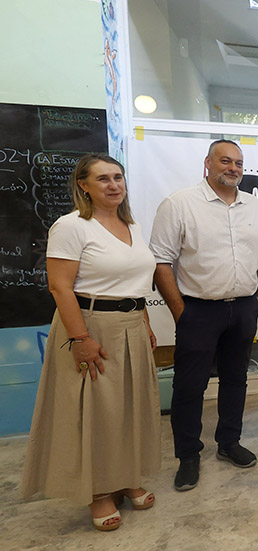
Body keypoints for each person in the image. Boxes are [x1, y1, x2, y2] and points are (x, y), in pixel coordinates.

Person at [21, 154, 160, 531]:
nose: (114, 185)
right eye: (103, 179)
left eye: (118, 177)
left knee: (128, 408)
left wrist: (144, 322)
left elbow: (134, 283)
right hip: (92, 326)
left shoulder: (131, 225)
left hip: (131, 324)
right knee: (98, 413)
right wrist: (80, 338)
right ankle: (98, 491)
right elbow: (59, 287)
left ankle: (126, 477)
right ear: (83, 186)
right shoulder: (71, 226)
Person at [150, 139, 258, 491]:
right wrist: (181, 313)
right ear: (207, 163)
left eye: (238, 163)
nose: (233, 168)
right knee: (190, 386)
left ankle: (229, 442)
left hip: (243, 307)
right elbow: (161, 262)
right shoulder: (179, 203)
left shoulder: (255, 206)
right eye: (225, 161)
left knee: (236, 379)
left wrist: (256, 298)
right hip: (198, 310)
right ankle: (188, 455)